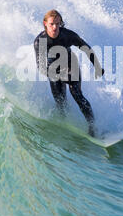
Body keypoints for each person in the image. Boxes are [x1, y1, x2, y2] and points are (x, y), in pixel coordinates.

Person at [34, 9, 104, 137]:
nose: (55, 27)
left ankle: (93, 126)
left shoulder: (68, 35)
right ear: (45, 24)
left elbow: (86, 48)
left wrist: (98, 67)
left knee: (77, 95)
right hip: (53, 70)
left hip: (71, 66)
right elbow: (41, 66)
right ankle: (66, 124)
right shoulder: (40, 41)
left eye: (57, 23)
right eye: (51, 24)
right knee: (60, 103)